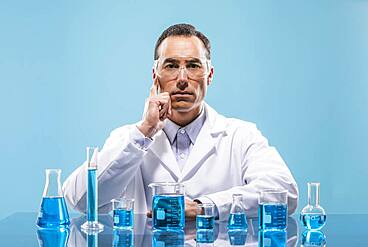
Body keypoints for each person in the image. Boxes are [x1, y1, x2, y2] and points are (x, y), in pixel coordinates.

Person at [63, 23, 298, 221]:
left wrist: (203, 207)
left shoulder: (241, 135)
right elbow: (80, 199)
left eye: (194, 66)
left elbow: (284, 192)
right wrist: (144, 132)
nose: (182, 79)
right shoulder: (129, 137)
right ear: (155, 75)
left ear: (210, 75)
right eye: (171, 66)